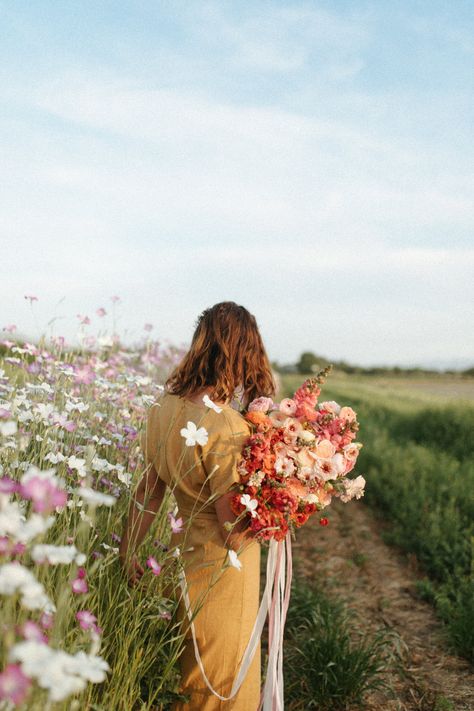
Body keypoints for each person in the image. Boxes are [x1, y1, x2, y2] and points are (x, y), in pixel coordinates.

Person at [119, 301, 276, 710]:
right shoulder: (227, 427)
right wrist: (284, 510)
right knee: (223, 688)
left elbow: (148, 493)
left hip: (181, 560)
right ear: (244, 352)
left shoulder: (164, 408)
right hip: (224, 575)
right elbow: (232, 532)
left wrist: (128, 549)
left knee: (191, 683)